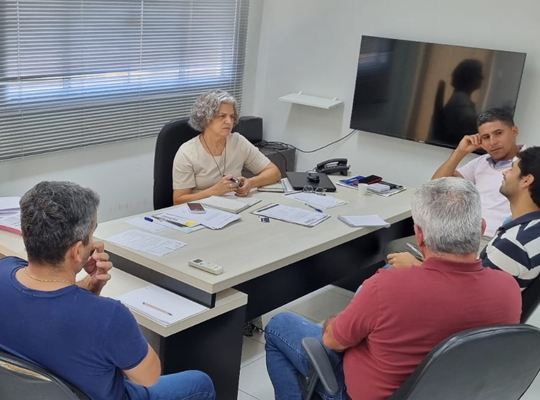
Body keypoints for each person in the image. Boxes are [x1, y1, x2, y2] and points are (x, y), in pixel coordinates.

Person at [265, 178, 521, 400]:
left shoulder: (387, 286)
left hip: (368, 392)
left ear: (419, 235)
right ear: (481, 228)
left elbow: (333, 341)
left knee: (279, 325)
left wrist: (334, 321)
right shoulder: (508, 288)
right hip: (456, 391)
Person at [0, 181, 215, 400]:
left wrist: (89, 287)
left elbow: (47, 302)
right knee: (201, 383)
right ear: (77, 251)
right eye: (92, 234)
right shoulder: (110, 316)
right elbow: (149, 377)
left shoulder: (4, 269)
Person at [386, 107, 524, 258]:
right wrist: (460, 152)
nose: (493, 142)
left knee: (429, 260)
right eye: (486, 137)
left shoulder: (529, 162)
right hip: (459, 235)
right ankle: (429, 268)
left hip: (492, 240)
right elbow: (436, 185)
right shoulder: (481, 162)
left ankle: (428, 268)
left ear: (514, 131)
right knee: (395, 248)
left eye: (498, 133)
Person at [172, 89, 281, 205]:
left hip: (234, 205)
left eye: (232, 116)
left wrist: (251, 182)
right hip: (200, 209)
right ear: (206, 119)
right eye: (222, 116)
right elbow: (179, 200)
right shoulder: (187, 152)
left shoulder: (238, 142)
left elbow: (274, 173)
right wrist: (214, 191)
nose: (229, 121)